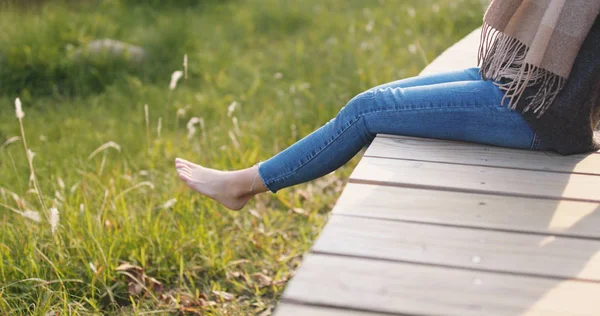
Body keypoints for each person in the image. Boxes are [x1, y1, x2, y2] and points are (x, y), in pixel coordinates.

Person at [175, 1, 600, 210]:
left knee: (367, 109)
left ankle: (243, 185)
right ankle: (246, 182)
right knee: (371, 102)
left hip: (536, 113)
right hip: (514, 80)